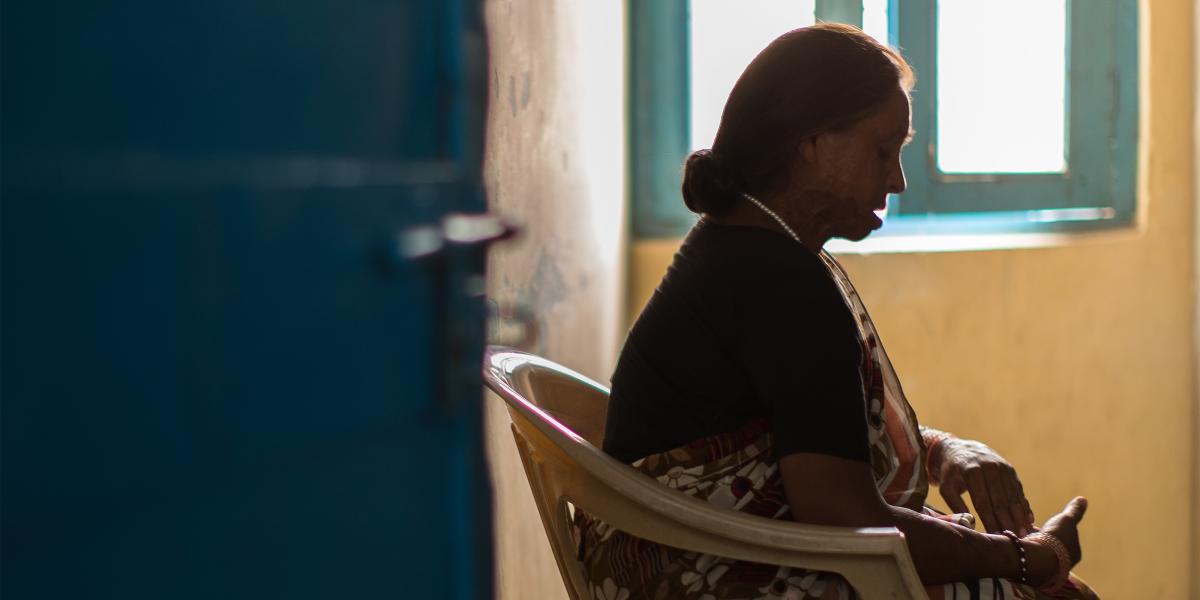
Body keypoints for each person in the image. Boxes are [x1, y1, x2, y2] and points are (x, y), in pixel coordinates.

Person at [577, 23, 1098, 600]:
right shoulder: (780, 281)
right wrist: (1028, 557)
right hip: (696, 574)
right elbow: (850, 521)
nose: (897, 180)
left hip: (661, 560)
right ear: (812, 144)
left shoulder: (746, 248)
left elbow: (810, 428)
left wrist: (940, 447)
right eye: (883, 151)